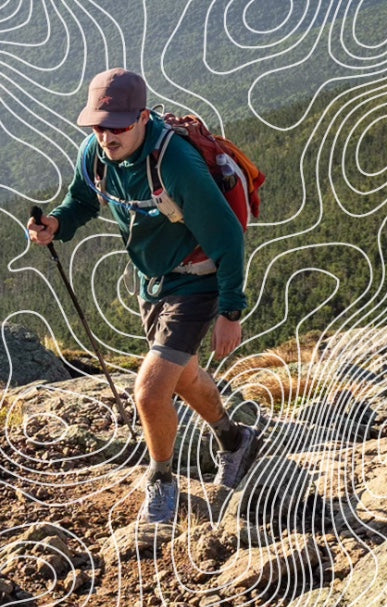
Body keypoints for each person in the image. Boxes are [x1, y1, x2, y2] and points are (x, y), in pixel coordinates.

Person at [27, 68, 259, 524]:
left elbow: (229, 239)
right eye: (98, 125)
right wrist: (56, 223)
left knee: (151, 392)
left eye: (117, 126)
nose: (106, 135)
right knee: (185, 377)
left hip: (198, 279)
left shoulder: (176, 165)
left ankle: (161, 482)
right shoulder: (96, 153)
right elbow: (83, 200)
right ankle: (236, 441)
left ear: (142, 118)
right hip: (152, 281)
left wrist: (230, 310)